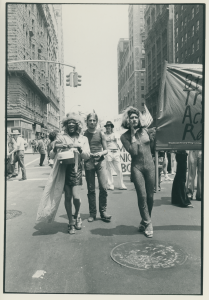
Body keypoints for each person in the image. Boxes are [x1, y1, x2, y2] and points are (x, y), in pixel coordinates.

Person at [36, 112, 90, 234]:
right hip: (63, 171)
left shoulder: (83, 139)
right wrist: (56, 148)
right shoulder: (61, 137)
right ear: (66, 125)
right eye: (68, 123)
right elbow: (51, 154)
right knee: (68, 197)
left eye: (73, 123)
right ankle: (70, 222)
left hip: (76, 169)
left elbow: (87, 156)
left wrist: (80, 148)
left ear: (77, 125)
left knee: (76, 197)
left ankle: (77, 215)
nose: (71, 125)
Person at [120, 106, 155, 238]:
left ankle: (144, 221)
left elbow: (152, 147)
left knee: (151, 196)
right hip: (137, 168)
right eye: (131, 118)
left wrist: (154, 137)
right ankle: (148, 223)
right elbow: (134, 152)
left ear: (139, 119)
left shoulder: (146, 131)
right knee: (142, 196)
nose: (134, 120)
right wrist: (133, 135)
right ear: (127, 120)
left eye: (136, 117)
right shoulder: (124, 137)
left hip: (150, 166)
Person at [84, 112, 112, 222]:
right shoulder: (84, 134)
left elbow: (106, 150)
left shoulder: (101, 133)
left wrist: (100, 153)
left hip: (100, 162)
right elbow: (82, 149)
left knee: (103, 188)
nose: (92, 122)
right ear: (87, 122)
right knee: (91, 189)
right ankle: (92, 213)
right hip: (89, 163)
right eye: (90, 120)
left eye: (94, 120)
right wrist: (87, 154)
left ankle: (103, 211)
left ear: (96, 122)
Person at [104, 121, 127, 190]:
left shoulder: (116, 134)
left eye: (109, 126)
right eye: (107, 126)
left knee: (119, 169)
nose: (108, 127)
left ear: (111, 127)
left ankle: (121, 185)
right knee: (109, 170)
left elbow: (120, 144)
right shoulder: (104, 135)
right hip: (108, 152)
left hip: (116, 152)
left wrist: (116, 139)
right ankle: (110, 185)